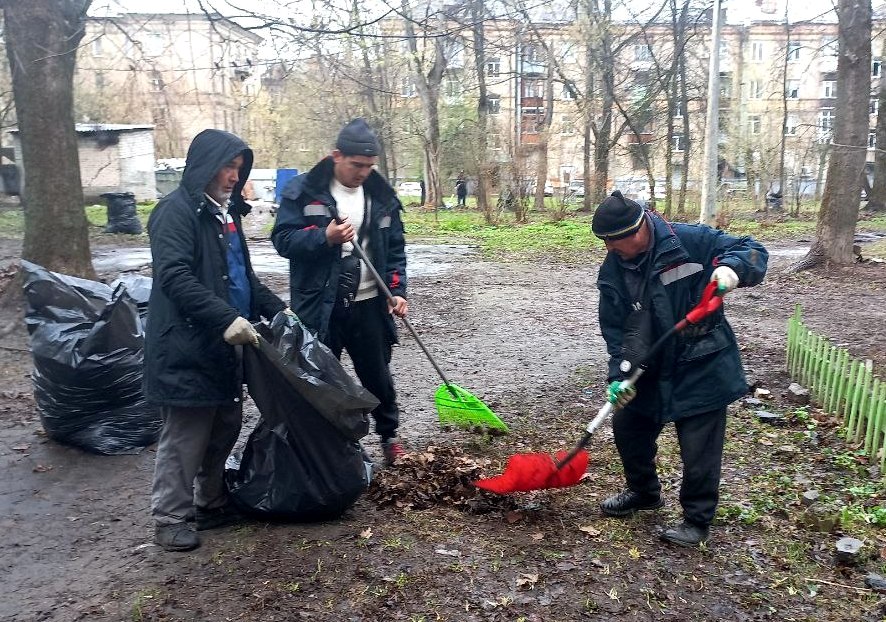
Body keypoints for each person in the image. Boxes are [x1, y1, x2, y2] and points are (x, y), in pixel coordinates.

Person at [593, 190, 768, 547]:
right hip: (650, 365)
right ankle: (643, 493)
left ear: (639, 228)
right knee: (629, 428)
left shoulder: (691, 242)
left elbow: (753, 250)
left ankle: (697, 520)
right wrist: (619, 374)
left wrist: (731, 269)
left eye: (614, 240)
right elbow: (615, 328)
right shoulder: (612, 271)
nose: (610, 248)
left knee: (698, 449)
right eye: (605, 242)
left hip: (701, 362)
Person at [144, 129, 287, 552]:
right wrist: (226, 318)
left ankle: (210, 501)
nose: (232, 176)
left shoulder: (226, 215)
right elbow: (174, 277)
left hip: (226, 344)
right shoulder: (176, 213)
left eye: (239, 169)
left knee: (224, 424)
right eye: (227, 166)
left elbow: (243, 278)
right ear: (204, 165)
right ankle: (170, 517)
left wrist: (280, 310)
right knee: (187, 434)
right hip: (187, 346)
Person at [271, 118, 408, 467]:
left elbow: (394, 250)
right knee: (320, 379)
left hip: (369, 305)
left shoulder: (381, 196)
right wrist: (324, 238)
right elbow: (283, 240)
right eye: (356, 165)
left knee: (377, 376)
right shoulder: (304, 191)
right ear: (336, 156)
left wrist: (397, 291)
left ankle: (389, 437)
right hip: (321, 306)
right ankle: (328, 447)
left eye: (369, 166)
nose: (363, 172)